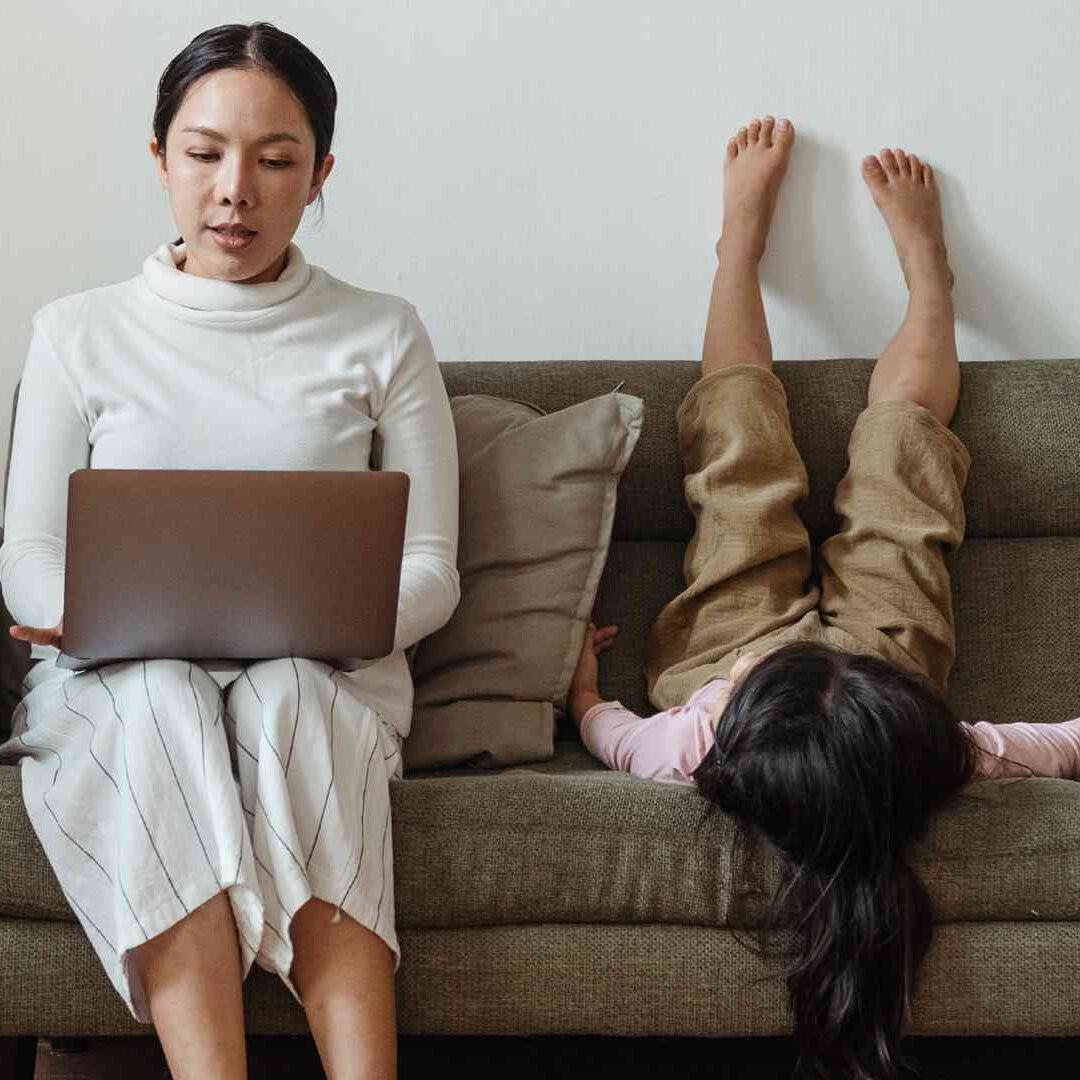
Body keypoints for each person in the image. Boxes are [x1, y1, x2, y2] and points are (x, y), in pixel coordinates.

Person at [567, 115, 1080, 1079]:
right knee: (906, 465)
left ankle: (738, 250)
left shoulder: (699, 739)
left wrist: (582, 687)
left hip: (719, 656)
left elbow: (616, 735)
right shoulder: (927, 748)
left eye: (779, 666)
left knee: (736, 464)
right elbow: (1056, 744)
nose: (793, 642)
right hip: (881, 668)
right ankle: (932, 281)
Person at [0, 22, 459, 1080]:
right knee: (162, 695)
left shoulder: (382, 333)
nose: (235, 191)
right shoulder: (78, 331)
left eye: (276, 159)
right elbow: (27, 555)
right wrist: (92, 613)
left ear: (322, 173)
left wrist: (329, 620)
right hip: (118, 676)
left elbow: (430, 568)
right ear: (160, 158)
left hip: (325, 675)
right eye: (204, 154)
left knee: (290, 695)